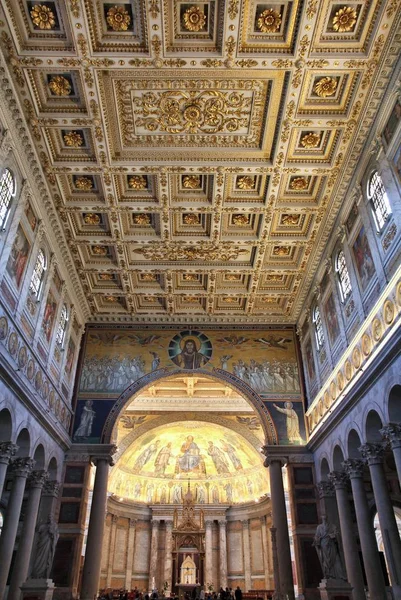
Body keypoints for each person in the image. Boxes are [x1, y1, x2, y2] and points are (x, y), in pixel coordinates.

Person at [313, 516, 347, 580]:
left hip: (331, 543)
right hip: (324, 545)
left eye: (325, 518)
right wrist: (317, 540)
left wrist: (333, 535)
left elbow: (337, 533)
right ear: (322, 519)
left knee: (336, 559)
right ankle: (329, 574)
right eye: (323, 518)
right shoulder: (319, 527)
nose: (324, 519)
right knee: (326, 561)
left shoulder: (332, 526)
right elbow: (316, 536)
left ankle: (340, 575)